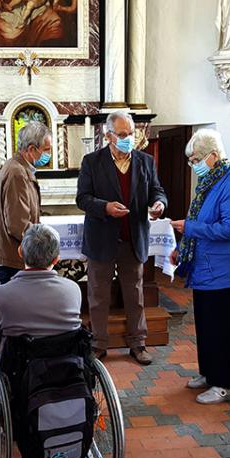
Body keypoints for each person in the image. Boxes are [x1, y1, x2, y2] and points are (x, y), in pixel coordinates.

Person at [76, 110, 168, 365]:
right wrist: (105, 207)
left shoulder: (145, 161)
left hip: (133, 238)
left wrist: (159, 204)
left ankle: (138, 343)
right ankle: (98, 344)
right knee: (98, 295)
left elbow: (157, 191)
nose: (128, 138)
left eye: (131, 133)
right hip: (102, 239)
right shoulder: (92, 162)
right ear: (109, 135)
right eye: (123, 134)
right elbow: (82, 199)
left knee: (135, 294)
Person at [170, 129, 230, 404]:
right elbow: (202, 222)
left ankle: (225, 384)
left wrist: (190, 227)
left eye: (196, 159)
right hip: (206, 269)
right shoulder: (210, 183)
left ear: (214, 156)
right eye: (191, 160)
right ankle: (209, 373)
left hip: (226, 271)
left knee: (223, 328)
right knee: (206, 326)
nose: (193, 165)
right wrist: (181, 249)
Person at [0, 223, 81, 357]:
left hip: (19, 369)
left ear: (20, 252)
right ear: (56, 259)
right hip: (67, 368)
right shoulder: (73, 289)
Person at [0, 120, 52, 284]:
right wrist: (43, 243)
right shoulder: (17, 172)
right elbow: (18, 224)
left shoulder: (20, 167)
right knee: (17, 307)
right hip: (13, 257)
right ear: (31, 149)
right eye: (46, 150)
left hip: (15, 254)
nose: (48, 155)